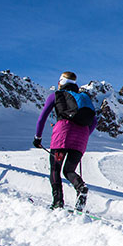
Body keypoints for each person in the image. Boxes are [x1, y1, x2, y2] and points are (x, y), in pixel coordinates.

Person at [34, 71, 97, 211]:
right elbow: (94, 121)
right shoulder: (84, 97)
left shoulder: (56, 95)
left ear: (61, 82)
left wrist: (37, 138)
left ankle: (58, 202)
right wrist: (85, 135)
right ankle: (81, 187)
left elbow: (42, 118)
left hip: (62, 137)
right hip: (81, 139)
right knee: (69, 170)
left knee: (55, 169)